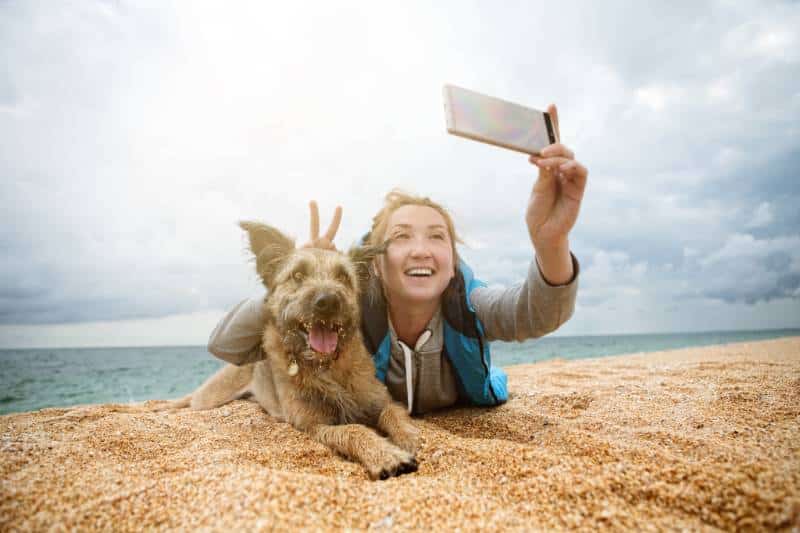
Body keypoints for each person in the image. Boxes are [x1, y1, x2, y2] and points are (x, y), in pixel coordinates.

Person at [208, 104, 588, 415]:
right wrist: (298, 280)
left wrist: (551, 241)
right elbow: (227, 345)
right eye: (401, 236)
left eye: (437, 237)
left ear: (452, 263)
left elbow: (537, 313)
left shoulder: (467, 305)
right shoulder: (348, 308)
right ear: (375, 265)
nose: (421, 248)